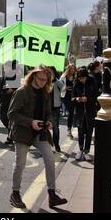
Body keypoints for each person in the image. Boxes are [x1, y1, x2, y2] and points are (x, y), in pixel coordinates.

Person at [8, 65, 68, 209]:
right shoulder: (22, 92)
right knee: (20, 164)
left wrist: (49, 122)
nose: (42, 82)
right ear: (33, 76)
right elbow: (11, 114)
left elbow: (48, 112)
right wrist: (31, 122)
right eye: (40, 79)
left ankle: (52, 195)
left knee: (50, 160)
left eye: (45, 80)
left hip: (40, 133)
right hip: (23, 133)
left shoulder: (45, 92)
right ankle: (15, 194)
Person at [72, 67, 98, 161]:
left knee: (89, 132)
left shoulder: (92, 82)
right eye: (80, 78)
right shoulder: (76, 84)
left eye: (83, 78)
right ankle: (80, 150)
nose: (82, 80)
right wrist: (77, 99)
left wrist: (88, 99)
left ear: (86, 77)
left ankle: (87, 151)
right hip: (79, 112)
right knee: (80, 132)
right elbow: (72, 97)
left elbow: (96, 96)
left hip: (90, 111)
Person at [50, 66, 65, 153]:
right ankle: (45, 146)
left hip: (55, 107)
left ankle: (56, 144)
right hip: (45, 107)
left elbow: (63, 87)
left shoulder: (56, 81)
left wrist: (55, 79)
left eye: (51, 72)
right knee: (44, 128)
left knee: (55, 127)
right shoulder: (44, 80)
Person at [60, 64, 77, 139]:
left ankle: (70, 127)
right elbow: (59, 87)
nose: (72, 70)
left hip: (73, 96)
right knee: (70, 112)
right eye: (71, 69)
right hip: (65, 96)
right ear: (68, 69)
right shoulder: (63, 77)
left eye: (74, 69)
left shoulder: (76, 77)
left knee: (72, 113)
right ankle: (69, 130)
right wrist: (65, 88)